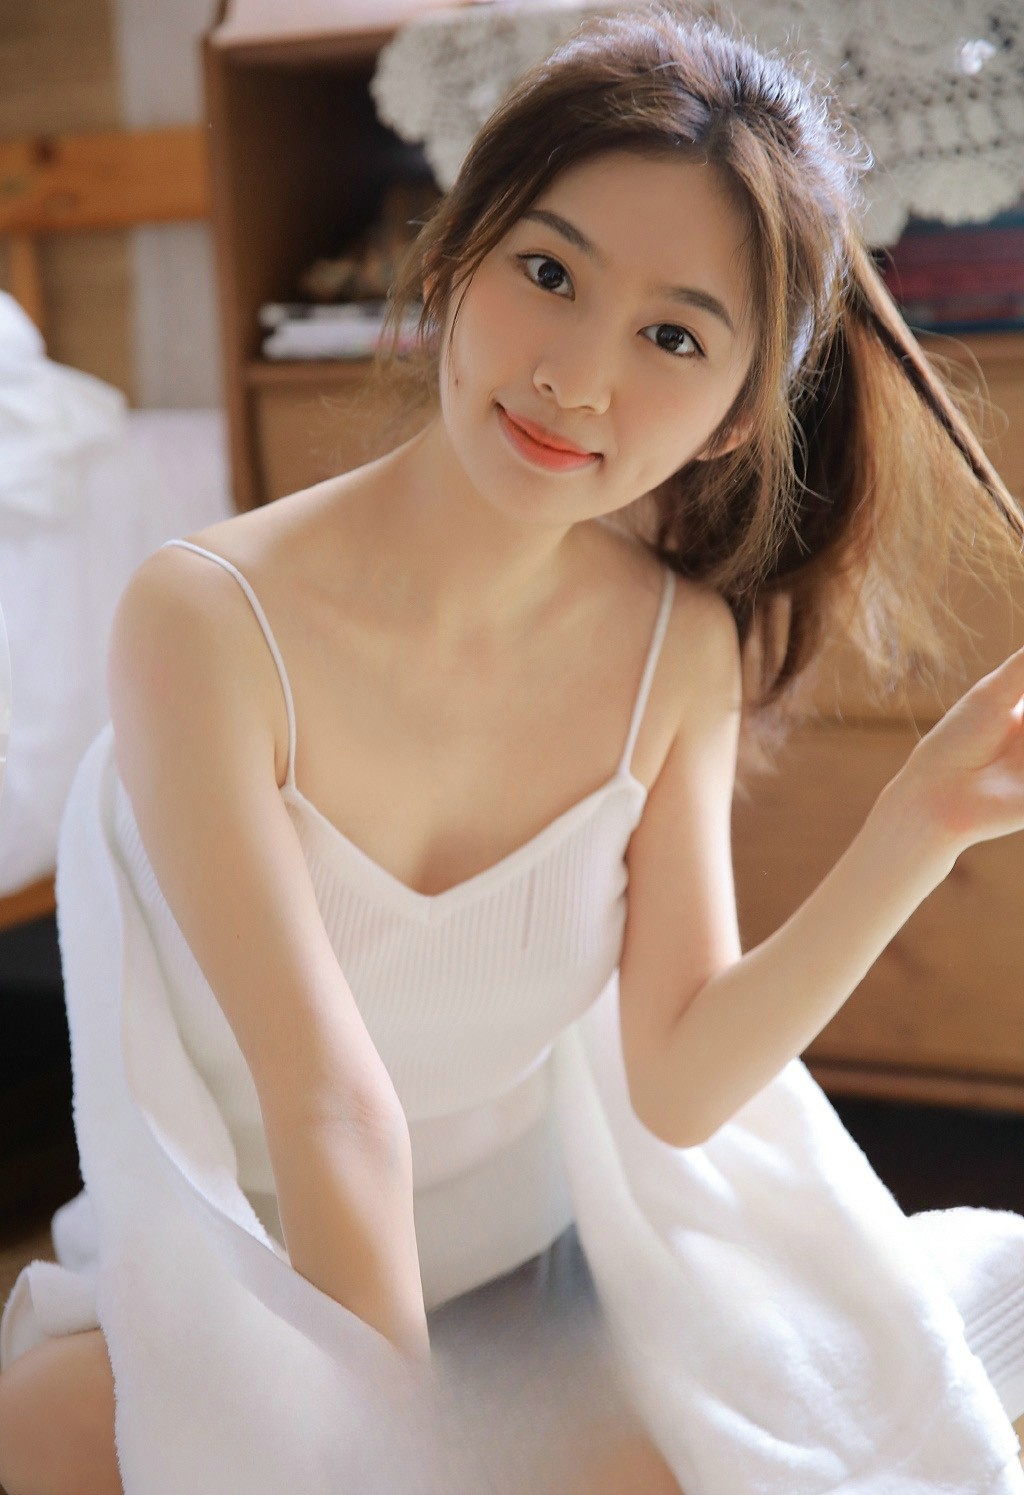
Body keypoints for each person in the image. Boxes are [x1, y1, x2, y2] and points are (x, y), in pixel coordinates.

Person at [2, 3, 1024, 1492]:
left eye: (674, 337)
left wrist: (918, 825)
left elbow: (680, 1084)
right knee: (42, 1439)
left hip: (543, 1292)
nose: (577, 377)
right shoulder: (205, 620)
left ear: (736, 418)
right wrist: (388, 1462)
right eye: (549, 272)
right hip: (255, 1292)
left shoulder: (676, 650)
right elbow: (333, 1111)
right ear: (453, 256)